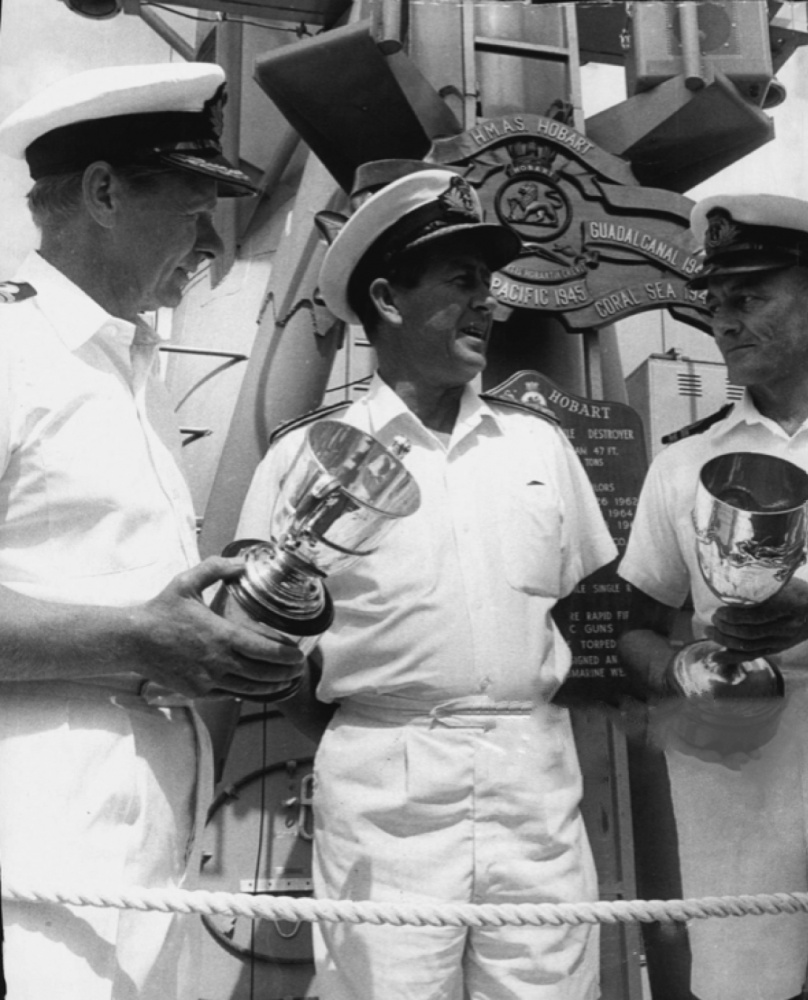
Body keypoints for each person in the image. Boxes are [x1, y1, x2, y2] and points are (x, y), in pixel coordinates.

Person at [236, 160, 617, 1000]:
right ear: (387, 299)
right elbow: (270, 652)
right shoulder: (303, 460)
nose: (492, 301)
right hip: (385, 791)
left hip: (534, 786)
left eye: (490, 281)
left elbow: (577, 607)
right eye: (461, 281)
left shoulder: (539, 449)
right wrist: (384, 719)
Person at [0, 63, 307, 999]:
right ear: (101, 193)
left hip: (147, 836)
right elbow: (127, 623)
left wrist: (213, 634)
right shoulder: (14, 357)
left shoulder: (133, 373)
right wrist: (138, 637)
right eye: (190, 204)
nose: (208, 239)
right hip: (34, 846)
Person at [616, 193, 808, 1000]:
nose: (723, 323)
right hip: (732, 775)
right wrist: (684, 667)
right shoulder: (680, 464)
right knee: (737, 990)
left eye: (749, 297)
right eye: (715, 303)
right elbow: (633, 630)